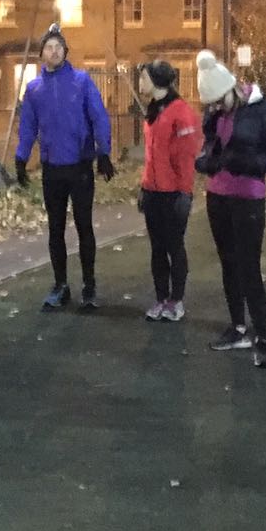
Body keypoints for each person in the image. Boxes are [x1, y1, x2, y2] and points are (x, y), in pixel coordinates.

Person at [193, 49, 266, 368]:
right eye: (212, 104)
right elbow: (210, 145)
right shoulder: (215, 112)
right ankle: (238, 327)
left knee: (249, 266)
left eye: (220, 101)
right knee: (228, 263)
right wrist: (206, 160)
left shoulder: (262, 111)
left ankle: (261, 336)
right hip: (218, 195)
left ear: (233, 88)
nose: (217, 108)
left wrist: (247, 162)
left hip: (248, 196)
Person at [14, 25, 114, 311]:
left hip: (80, 165)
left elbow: (99, 116)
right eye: (49, 47)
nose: (54, 51)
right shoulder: (34, 89)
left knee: (84, 226)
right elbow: (28, 126)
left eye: (58, 47)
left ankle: (89, 285)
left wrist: (103, 152)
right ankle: (60, 285)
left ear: (65, 52)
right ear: (42, 54)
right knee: (55, 229)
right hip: (52, 168)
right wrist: (21, 158)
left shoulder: (81, 81)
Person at [138, 59, 200, 322]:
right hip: (153, 191)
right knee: (157, 248)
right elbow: (152, 157)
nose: (140, 83)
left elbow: (186, 157)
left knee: (174, 246)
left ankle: (176, 300)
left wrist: (185, 193)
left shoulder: (180, 112)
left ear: (157, 81)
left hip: (173, 193)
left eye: (143, 78)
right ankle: (161, 297)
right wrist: (144, 187)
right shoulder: (153, 110)